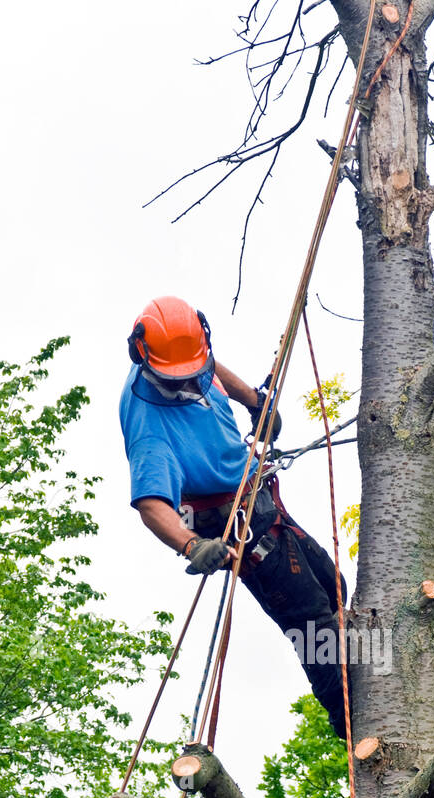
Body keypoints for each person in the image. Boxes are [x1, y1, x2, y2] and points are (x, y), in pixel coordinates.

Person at [119, 295, 347, 737]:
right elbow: (151, 504)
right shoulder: (148, 423)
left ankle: (364, 671)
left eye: (194, 372)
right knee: (314, 623)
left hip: (259, 500)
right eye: (177, 379)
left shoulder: (188, 357)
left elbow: (209, 368)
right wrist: (191, 544)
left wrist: (254, 400)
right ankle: (351, 717)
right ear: (144, 362)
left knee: (335, 585)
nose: (189, 384)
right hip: (233, 525)